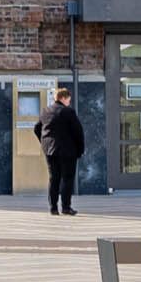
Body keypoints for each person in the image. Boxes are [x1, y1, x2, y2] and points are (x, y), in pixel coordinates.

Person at [35, 84, 86, 215]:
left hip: (50, 151)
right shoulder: (69, 112)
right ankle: (66, 207)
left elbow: (37, 128)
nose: (69, 102)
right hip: (68, 152)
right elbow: (78, 132)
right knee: (67, 178)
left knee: (54, 178)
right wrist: (80, 149)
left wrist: (44, 143)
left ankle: (53, 208)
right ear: (63, 98)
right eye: (69, 99)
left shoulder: (45, 111)